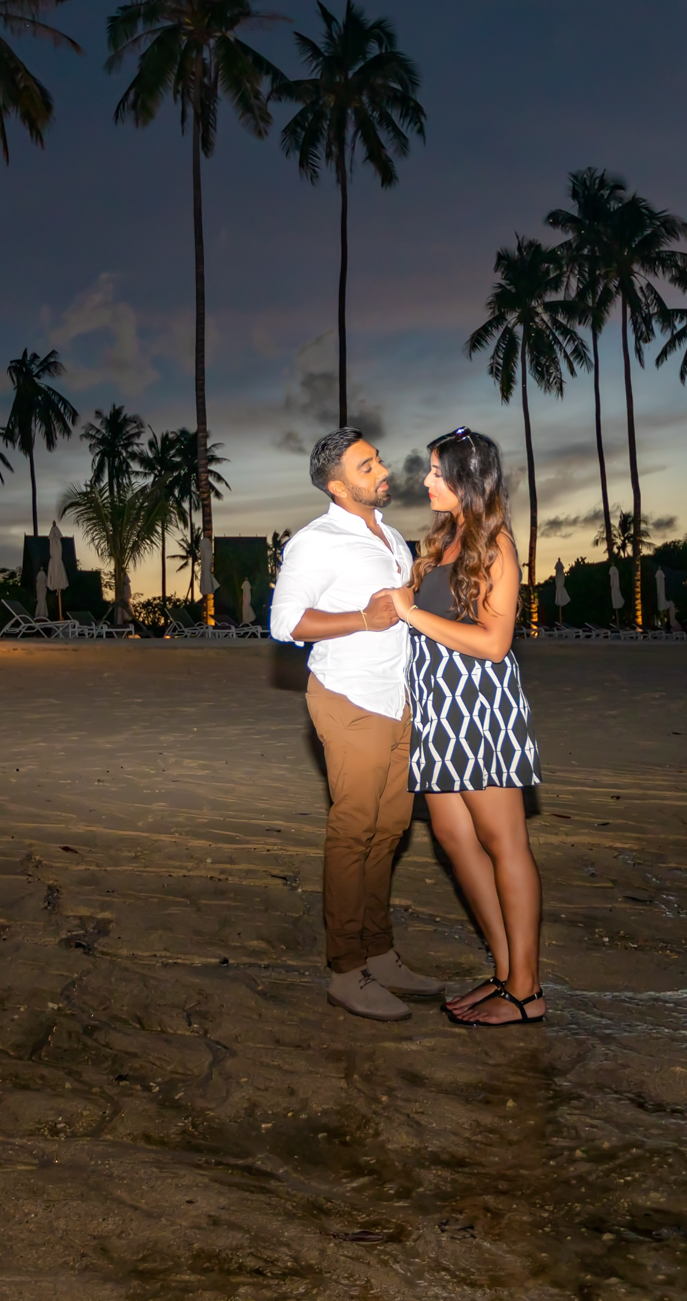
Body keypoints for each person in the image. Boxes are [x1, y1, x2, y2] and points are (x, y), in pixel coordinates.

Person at [269, 428, 447, 1021]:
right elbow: (284, 623)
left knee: (390, 828)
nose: (382, 470)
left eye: (377, 459)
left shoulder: (391, 536)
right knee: (353, 831)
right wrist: (362, 620)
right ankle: (347, 970)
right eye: (366, 466)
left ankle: (380, 953)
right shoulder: (314, 542)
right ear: (338, 486)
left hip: (400, 699)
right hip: (351, 699)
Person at [387, 427, 546, 1027]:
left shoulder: (495, 544)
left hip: (478, 707)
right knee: (455, 839)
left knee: (505, 843)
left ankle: (527, 991)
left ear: (466, 479)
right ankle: (505, 972)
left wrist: (411, 613)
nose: (426, 480)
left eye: (436, 472)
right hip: (435, 709)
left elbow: (494, 642)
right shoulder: (442, 541)